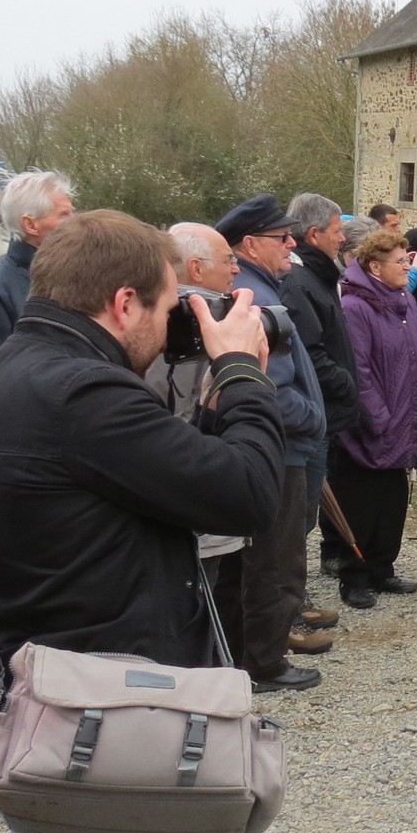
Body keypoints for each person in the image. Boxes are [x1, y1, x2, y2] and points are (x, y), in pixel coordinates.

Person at [0, 208, 289, 833]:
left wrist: (211, 404)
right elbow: (248, 493)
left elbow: (160, 481)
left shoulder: (12, 371)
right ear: (121, 303)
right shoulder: (81, 392)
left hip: (46, 724)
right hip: (130, 739)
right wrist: (243, 371)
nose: (179, 321)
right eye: (172, 303)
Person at [156, 223, 335, 657]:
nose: (235, 269)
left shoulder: (227, 305)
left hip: (230, 455)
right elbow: (259, 388)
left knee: (257, 561)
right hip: (231, 461)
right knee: (258, 562)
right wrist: (311, 417)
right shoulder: (204, 320)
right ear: (196, 268)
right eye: (228, 260)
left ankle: (245, 653)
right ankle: (255, 656)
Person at [218, 194, 328, 690]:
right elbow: (271, 387)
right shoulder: (254, 297)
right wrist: (312, 419)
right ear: (249, 244)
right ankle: (264, 662)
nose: (291, 244)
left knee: (273, 554)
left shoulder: (263, 285)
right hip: (279, 448)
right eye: (280, 238)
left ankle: (259, 653)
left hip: (281, 443)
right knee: (273, 558)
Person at [333, 229, 417, 608]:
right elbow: (358, 370)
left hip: (402, 416)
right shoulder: (354, 307)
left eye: (408, 260)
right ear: (375, 266)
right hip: (370, 423)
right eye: (400, 261)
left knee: (393, 498)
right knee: (360, 500)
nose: (407, 266)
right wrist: (380, 417)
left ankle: (382, 568)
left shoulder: (406, 299)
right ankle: (354, 576)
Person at [280, 194, 359, 583]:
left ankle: (291, 597)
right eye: (336, 230)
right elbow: (310, 352)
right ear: (314, 234)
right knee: (297, 516)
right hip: (314, 413)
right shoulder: (300, 284)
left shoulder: (319, 278)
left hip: (324, 411)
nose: (342, 238)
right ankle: (286, 605)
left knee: (306, 512)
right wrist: (344, 383)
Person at [0, 170, 76, 401]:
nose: (75, 222)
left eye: (73, 212)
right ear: (31, 224)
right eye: (64, 215)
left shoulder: (66, 278)